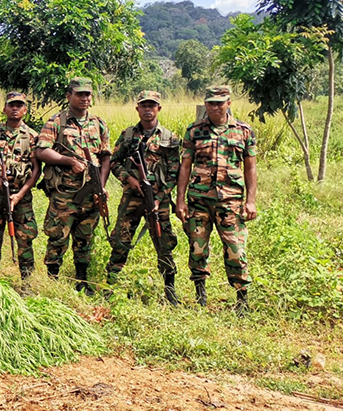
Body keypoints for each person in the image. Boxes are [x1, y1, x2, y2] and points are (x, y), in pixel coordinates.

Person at [175, 86, 257, 313]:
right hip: (199, 200)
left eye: (219, 103)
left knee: (235, 249)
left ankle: (242, 300)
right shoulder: (194, 130)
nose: (214, 107)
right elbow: (185, 167)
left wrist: (251, 201)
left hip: (230, 201)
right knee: (198, 248)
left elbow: (250, 169)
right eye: (210, 102)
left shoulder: (244, 131)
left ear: (228, 103)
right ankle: (200, 295)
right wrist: (180, 200)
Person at [36, 77, 111, 295]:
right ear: (69, 96)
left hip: (91, 194)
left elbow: (106, 156)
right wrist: (67, 161)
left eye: (88, 94)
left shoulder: (99, 124)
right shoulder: (56, 122)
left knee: (85, 237)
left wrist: (102, 185)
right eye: (79, 94)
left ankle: (82, 281)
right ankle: (52, 280)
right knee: (57, 237)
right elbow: (42, 151)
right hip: (64, 194)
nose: (85, 98)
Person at [105, 90, 181, 304]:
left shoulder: (169, 137)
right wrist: (129, 179)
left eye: (152, 105)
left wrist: (160, 197)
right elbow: (114, 162)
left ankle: (170, 290)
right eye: (144, 106)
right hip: (131, 197)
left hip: (159, 199)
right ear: (137, 108)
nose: (148, 110)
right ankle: (110, 285)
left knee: (163, 241)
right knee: (121, 239)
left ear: (159, 108)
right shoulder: (128, 135)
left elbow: (176, 171)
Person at [0, 92, 40, 280]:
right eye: (11, 105)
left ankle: (27, 281)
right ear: (4, 108)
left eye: (19, 105)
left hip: (22, 196)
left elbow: (36, 170)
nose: (15, 109)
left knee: (25, 237)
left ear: (25, 110)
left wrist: (20, 194)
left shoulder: (32, 136)